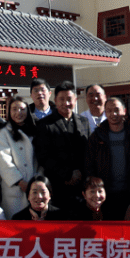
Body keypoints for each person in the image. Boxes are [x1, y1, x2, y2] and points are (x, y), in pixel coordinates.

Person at [33, 80, 91, 209]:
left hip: (82, 185)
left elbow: (88, 151)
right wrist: (67, 175)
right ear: (55, 100)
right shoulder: (45, 124)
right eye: (62, 99)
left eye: (69, 99)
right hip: (58, 185)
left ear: (75, 100)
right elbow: (43, 156)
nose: (66, 103)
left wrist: (81, 173)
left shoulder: (84, 121)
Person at [86, 97, 130, 219]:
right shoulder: (97, 136)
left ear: (124, 111)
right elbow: (89, 164)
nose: (113, 114)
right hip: (106, 193)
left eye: (117, 110)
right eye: (109, 111)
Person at [0, 97, 37, 218]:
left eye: (22, 109)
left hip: (35, 185)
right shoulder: (3, 133)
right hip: (15, 188)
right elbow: (3, 161)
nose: (18, 112)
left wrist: (37, 180)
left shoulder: (35, 130)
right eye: (14, 109)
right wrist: (19, 181)